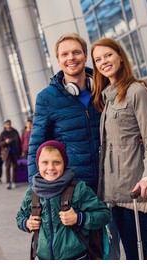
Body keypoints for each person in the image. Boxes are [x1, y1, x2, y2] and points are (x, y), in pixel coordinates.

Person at [91, 37, 147, 260]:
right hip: (110, 195)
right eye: (98, 59)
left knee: (137, 258)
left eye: (108, 55)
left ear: (120, 57)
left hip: (133, 193)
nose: (104, 61)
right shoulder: (107, 99)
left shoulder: (136, 92)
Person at [27, 32, 101, 194]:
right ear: (58, 61)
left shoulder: (105, 88)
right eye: (65, 54)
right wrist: (35, 192)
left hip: (110, 181)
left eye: (76, 52)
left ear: (85, 56)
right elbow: (35, 146)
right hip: (74, 188)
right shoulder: (47, 98)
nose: (71, 58)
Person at [16, 140, 111, 260]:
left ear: (64, 164)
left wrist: (79, 218)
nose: (50, 167)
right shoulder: (33, 192)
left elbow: (104, 215)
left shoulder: (79, 189)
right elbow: (20, 216)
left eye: (56, 162)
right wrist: (27, 223)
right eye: (45, 162)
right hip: (43, 258)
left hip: (76, 257)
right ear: (38, 165)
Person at [0, 119, 22, 189]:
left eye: (9, 124)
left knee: (15, 167)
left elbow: (19, 143)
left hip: (15, 152)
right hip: (7, 153)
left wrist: (20, 152)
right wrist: (5, 142)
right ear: (5, 125)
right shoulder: (3, 133)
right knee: (7, 167)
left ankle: (14, 181)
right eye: (7, 124)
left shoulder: (15, 132)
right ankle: (8, 182)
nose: (8, 125)